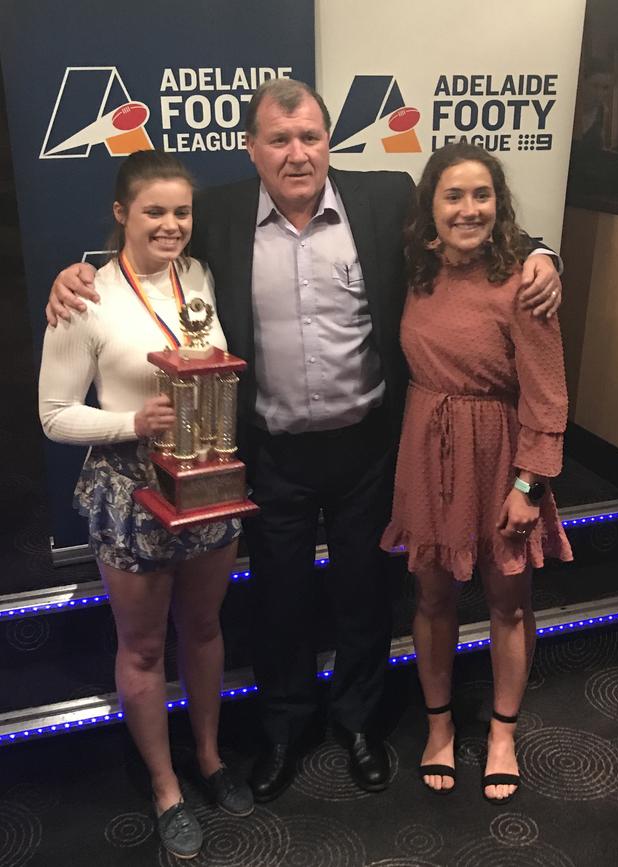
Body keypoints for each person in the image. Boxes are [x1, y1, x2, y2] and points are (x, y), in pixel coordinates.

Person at [45, 79, 563, 803]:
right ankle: (284, 729)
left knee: (363, 592)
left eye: (311, 137)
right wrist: (80, 275)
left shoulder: (383, 198)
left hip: (369, 448)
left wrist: (543, 254)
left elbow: (471, 224)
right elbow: (143, 249)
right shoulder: (218, 213)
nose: (297, 154)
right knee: (278, 599)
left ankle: (358, 723)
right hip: (271, 450)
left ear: (330, 142)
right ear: (251, 147)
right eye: (280, 140)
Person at [39, 150, 253, 860]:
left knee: (203, 625)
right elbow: (54, 413)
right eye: (154, 211)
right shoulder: (84, 295)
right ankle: (166, 787)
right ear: (120, 213)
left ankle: (212, 756)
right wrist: (131, 424)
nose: (170, 225)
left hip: (206, 478)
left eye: (181, 212)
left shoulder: (200, 276)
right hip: (132, 488)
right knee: (144, 645)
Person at [380, 143, 573, 805]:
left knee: (507, 604)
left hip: (500, 456)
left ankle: (501, 733)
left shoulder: (526, 278)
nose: (469, 209)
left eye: (481, 195)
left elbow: (548, 395)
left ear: (500, 203)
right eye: (454, 196)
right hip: (424, 449)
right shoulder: (414, 269)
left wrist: (529, 483)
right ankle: (438, 726)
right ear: (430, 205)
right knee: (431, 600)